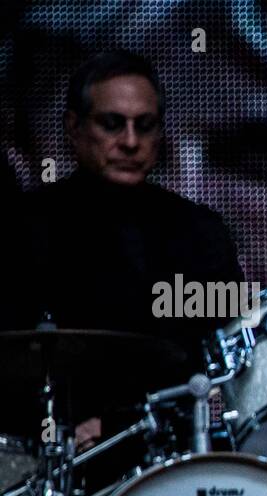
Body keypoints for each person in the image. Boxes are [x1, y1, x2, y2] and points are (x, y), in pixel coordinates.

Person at [5, 49, 243, 466]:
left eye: (145, 126)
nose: (130, 142)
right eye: (112, 124)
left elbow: (234, 351)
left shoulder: (201, 232)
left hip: (173, 456)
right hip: (55, 461)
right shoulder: (23, 229)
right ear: (74, 129)